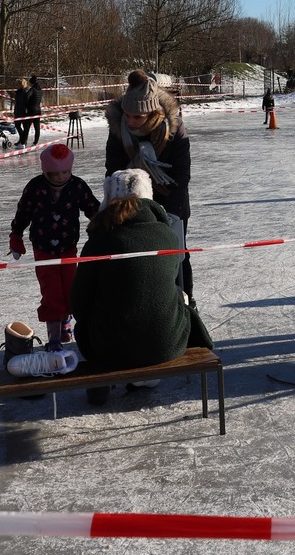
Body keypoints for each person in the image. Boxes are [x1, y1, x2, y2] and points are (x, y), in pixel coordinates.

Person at [70, 169, 214, 404]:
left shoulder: (100, 240)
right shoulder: (168, 236)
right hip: (167, 344)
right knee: (178, 297)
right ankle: (146, 377)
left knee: (93, 320)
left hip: (111, 348)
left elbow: (79, 302)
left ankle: (101, 378)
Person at [105, 70, 194, 300]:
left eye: (137, 117)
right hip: (132, 203)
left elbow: (182, 176)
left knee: (176, 257)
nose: (130, 122)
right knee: (137, 258)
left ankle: (185, 302)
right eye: (127, 115)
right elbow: (113, 171)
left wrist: (171, 214)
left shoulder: (174, 130)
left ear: (153, 113)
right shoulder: (118, 129)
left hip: (171, 201)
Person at [9, 142, 100, 350]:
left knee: (70, 289)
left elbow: (93, 209)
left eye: (65, 172)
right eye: (54, 174)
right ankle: (54, 337)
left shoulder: (77, 186)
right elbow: (23, 213)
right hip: (43, 249)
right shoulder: (35, 187)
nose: (60, 177)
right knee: (52, 293)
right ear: (45, 171)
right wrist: (16, 235)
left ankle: (65, 319)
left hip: (68, 247)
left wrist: (106, 226)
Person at [13, 78, 34, 146]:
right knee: (17, 125)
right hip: (18, 110)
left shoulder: (25, 92)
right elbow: (17, 102)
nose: (16, 86)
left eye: (17, 84)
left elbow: (27, 102)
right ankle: (22, 138)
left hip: (24, 111)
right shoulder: (18, 92)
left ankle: (23, 140)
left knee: (25, 127)